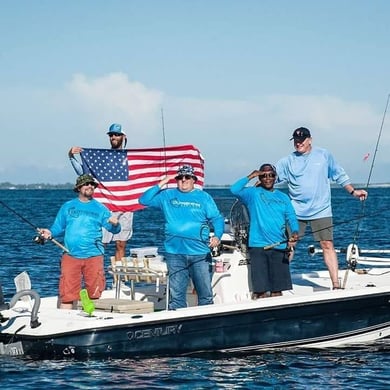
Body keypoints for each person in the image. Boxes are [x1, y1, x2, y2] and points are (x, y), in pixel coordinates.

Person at [276, 127, 368, 289]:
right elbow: (271, 179)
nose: (299, 143)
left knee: (327, 244)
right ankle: (278, 283)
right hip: (295, 211)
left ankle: (336, 284)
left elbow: (339, 175)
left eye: (302, 140)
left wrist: (353, 192)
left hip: (321, 210)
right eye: (296, 140)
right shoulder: (287, 161)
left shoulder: (324, 155)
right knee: (290, 244)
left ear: (310, 139)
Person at [139, 164, 224, 310]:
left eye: (187, 177)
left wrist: (217, 236)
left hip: (200, 253)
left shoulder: (204, 197)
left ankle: (205, 323)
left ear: (194, 180)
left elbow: (217, 219)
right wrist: (162, 183)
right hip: (174, 253)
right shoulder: (167, 195)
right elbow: (143, 200)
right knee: (176, 296)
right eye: (180, 177)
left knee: (205, 294)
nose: (183, 180)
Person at [39, 174, 121, 309]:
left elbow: (115, 230)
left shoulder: (100, 208)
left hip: (94, 255)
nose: (90, 186)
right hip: (70, 255)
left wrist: (116, 224)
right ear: (78, 188)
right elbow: (58, 227)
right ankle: (66, 324)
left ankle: (92, 323)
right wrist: (49, 233)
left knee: (94, 294)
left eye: (92, 184)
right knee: (67, 295)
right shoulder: (68, 206)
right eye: (86, 184)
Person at [231, 163, 299, 298]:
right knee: (261, 291)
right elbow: (234, 189)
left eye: (271, 175)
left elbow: (291, 217)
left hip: (279, 245)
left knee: (277, 291)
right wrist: (251, 176)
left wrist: (295, 232)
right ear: (260, 178)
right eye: (264, 175)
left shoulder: (283, 197)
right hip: (258, 245)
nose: (268, 178)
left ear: (275, 177)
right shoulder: (252, 193)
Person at [68, 123, 133, 262]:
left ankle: (119, 281)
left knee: (121, 244)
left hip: (125, 206)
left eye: (117, 134)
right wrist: (71, 156)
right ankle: (97, 278)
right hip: (105, 206)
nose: (114, 137)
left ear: (123, 137)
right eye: (111, 135)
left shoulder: (130, 158)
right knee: (101, 243)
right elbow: (83, 173)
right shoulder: (101, 158)